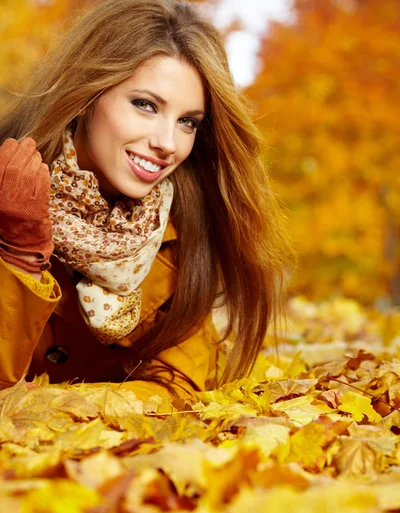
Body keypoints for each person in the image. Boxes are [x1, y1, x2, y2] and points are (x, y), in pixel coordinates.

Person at [0, 0, 292, 405]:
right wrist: (20, 255)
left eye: (187, 121)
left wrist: (51, 407)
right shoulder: (7, 186)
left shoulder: (185, 224)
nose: (167, 144)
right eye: (145, 105)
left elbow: (175, 386)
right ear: (86, 93)